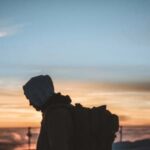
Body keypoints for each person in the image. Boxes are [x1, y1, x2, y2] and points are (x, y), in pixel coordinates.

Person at [23, 75, 73, 150]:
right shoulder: (58, 111)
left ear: (39, 94)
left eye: (31, 98)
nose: (30, 103)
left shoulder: (56, 116)